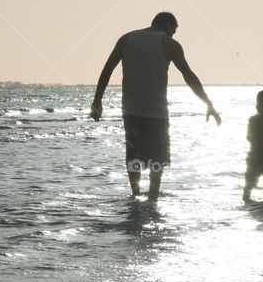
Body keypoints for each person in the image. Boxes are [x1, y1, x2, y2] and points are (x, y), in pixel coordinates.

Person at [90, 12, 221, 200]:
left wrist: (97, 101)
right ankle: (153, 196)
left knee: (133, 154)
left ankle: (135, 194)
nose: (173, 34)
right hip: (157, 112)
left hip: (130, 109)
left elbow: (107, 69)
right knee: (157, 158)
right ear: (168, 25)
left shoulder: (126, 38)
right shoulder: (170, 44)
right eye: (174, 30)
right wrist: (208, 103)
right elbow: (188, 75)